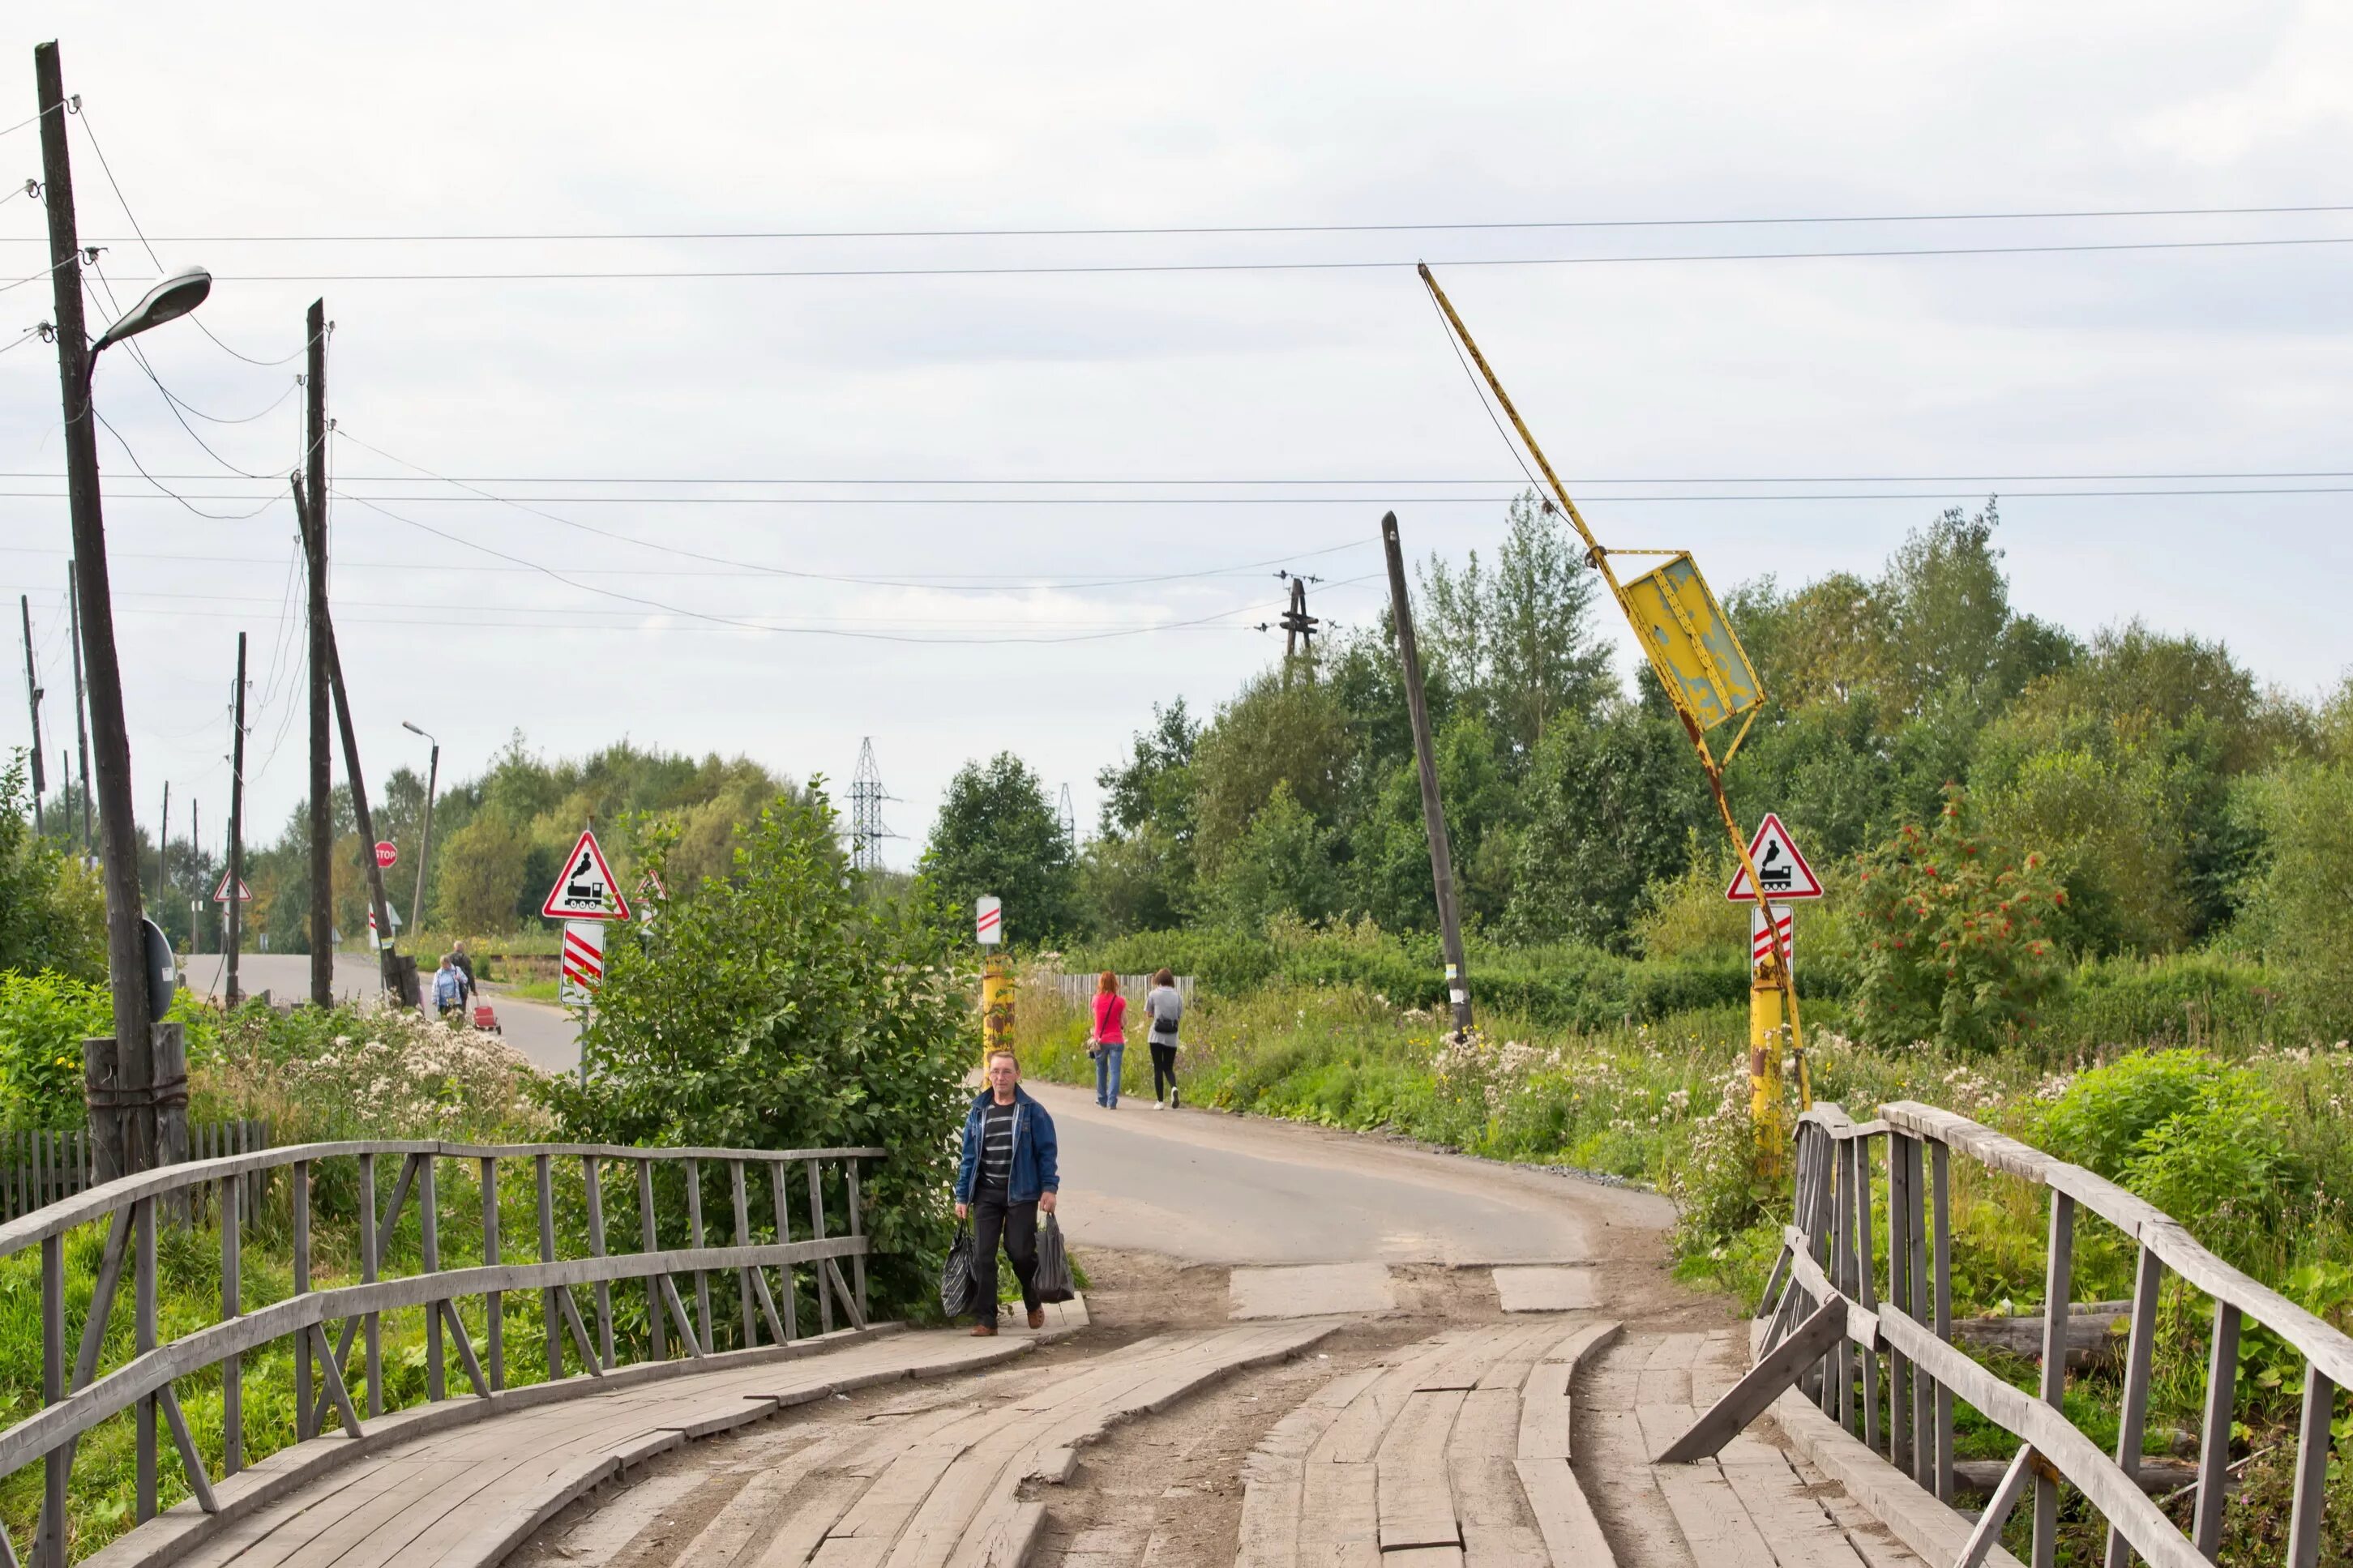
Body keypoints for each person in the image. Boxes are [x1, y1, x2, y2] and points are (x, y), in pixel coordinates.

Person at [953, 1049, 1059, 1335]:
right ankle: (986, 1320)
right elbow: (969, 1158)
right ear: (989, 1074)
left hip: (1021, 1192)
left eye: (1006, 1072)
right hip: (986, 1193)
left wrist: (1049, 1188)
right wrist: (962, 1196)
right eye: (995, 1071)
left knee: (1020, 1251)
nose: (1000, 1077)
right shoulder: (978, 1111)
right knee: (982, 1256)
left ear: (1018, 1075)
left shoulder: (1031, 1111)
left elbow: (1046, 1152)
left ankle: (1032, 1296)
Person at [1144, 968, 1183, 1109]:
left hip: (1156, 1036)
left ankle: (1160, 1101)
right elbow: (1179, 1016)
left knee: (1158, 1068)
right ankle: (1173, 1087)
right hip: (1172, 1037)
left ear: (1158, 980)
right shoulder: (1177, 996)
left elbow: (1148, 1013)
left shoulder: (1153, 994)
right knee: (1168, 1067)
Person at [1089, 971, 1127, 1109]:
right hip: (1117, 1040)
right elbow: (1124, 1021)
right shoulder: (1120, 1001)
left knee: (1101, 1070)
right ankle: (1112, 1101)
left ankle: (1102, 1099)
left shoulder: (1095, 1000)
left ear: (1101, 983)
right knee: (1115, 1071)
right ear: (1115, 983)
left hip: (1100, 1040)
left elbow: (1096, 1017)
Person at [431, 954, 465, 1019]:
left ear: (449, 963)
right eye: (442, 964)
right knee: (444, 1018)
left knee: (454, 1017)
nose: (444, 966)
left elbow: (465, 980)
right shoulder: (438, 973)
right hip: (442, 1001)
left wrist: (459, 978)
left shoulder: (456, 970)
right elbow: (435, 986)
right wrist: (434, 999)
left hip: (453, 999)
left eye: (445, 964)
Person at [450, 940, 477, 1006]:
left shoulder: (448, 957)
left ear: (454, 948)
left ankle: (451, 1015)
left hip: (450, 987)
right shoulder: (466, 959)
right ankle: (461, 1015)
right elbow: (470, 975)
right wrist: (473, 990)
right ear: (462, 948)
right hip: (463, 988)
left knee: (451, 1006)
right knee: (462, 1007)